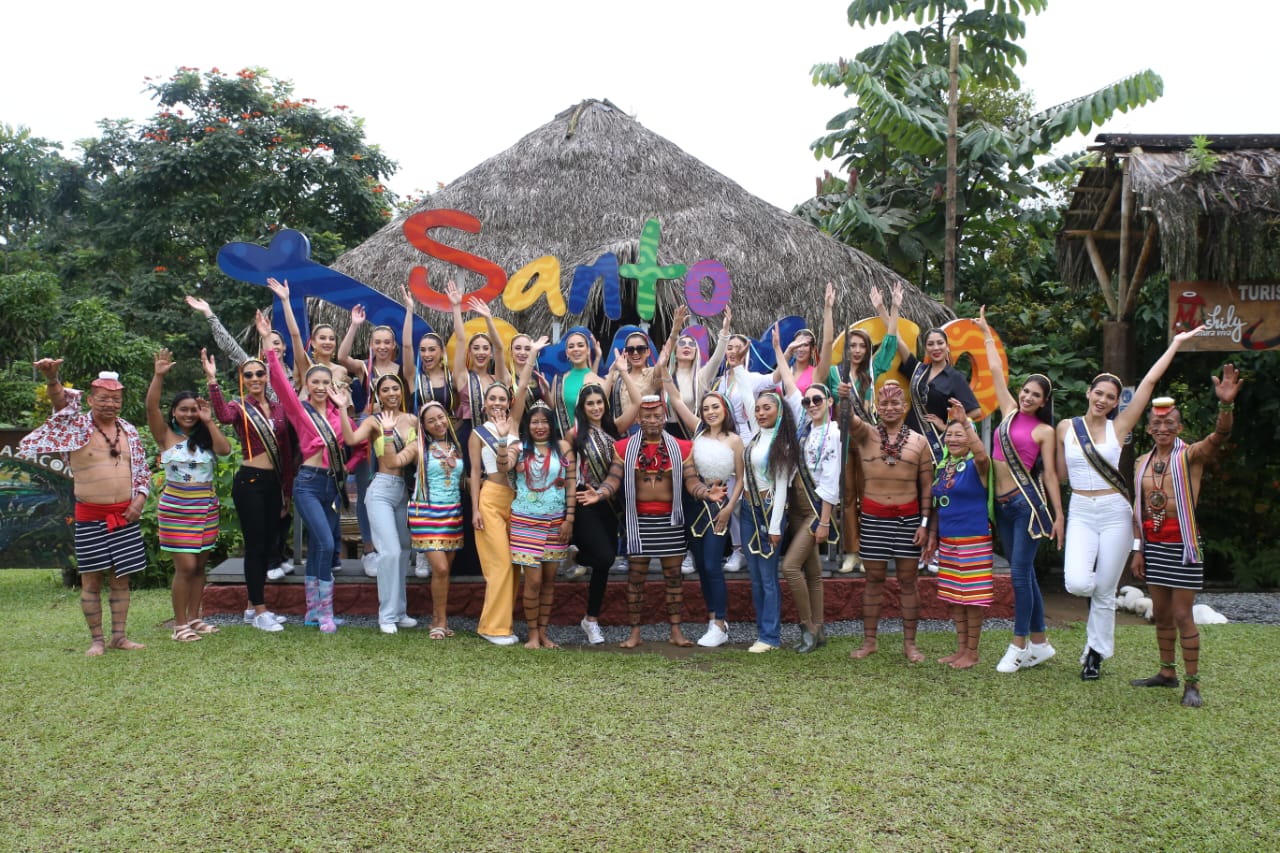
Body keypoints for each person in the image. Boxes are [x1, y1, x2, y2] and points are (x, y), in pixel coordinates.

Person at [1057, 326, 1203, 680]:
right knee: (1077, 583)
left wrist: (1176, 344)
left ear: (1115, 401)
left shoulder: (1118, 428)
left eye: (1111, 396)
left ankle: (1095, 653)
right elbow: (1059, 475)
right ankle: (1103, 603)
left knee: (1105, 591)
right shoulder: (1065, 427)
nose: (1103, 400)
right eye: (1099, 393)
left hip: (1114, 513)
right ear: (1089, 392)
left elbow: (1150, 383)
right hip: (1080, 510)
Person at [20, 361, 150, 656]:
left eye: (115, 399)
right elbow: (59, 403)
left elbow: (141, 470)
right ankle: (97, 640)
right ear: (90, 399)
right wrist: (53, 378)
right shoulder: (74, 426)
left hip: (125, 516)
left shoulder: (128, 430)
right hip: (91, 515)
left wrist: (139, 501)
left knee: (121, 577)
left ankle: (119, 636)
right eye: (103, 398)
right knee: (91, 578)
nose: (110, 403)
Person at [1129, 366, 1240, 708]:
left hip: (1184, 546)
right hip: (1154, 544)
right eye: (1157, 424)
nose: (1163, 428)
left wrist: (1225, 407)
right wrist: (1138, 550)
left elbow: (1219, 437)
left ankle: (1192, 683)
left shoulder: (1189, 455)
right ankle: (1167, 673)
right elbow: (1140, 509)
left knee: (1182, 615)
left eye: (1170, 423)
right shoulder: (1141, 463)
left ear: (1179, 426)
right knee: (1161, 614)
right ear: (1149, 428)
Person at [579, 396, 723, 648]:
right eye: (647, 416)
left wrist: (705, 493)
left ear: (665, 417)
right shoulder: (623, 448)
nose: (653, 421)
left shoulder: (682, 447)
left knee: (673, 578)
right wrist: (600, 493)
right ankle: (635, 633)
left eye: (657, 415)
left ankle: (676, 631)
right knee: (635, 579)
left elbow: (691, 481)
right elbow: (613, 480)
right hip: (638, 523)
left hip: (671, 521)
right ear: (638, 419)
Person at [975, 308, 1064, 673]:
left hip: (1027, 506)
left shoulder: (1045, 431)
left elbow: (1051, 476)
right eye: (1025, 391)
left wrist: (1060, 515)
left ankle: (1019, 644)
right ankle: (1041, 643)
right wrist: (984, 332)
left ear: (1044, 402)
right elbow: (996, 370)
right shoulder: (1008, 411)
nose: (1027, 397)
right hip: (1003, 506)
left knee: (1018, 575)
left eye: (1035, 395)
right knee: (1023, 574)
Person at [262, 303, 348, 634]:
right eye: (315, 381)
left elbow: (352, 446)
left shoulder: (339, 414)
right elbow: (282, 385)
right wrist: (269, 348)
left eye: (326, 381)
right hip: (309, 484)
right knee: (326, 544)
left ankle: (314, 611)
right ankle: (325, 610)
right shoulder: (301, 413)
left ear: (333, 384)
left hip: (331, 486)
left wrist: (350, 463)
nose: (321, 386)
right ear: (308, 385)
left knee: (318, 546)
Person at [205, 349, 293, 632]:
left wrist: (286, 490)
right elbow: (222, 415)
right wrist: (212, 381)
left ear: (267, 377)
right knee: (255, 547)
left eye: (259, 373)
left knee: (268, 546)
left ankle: (251, 605)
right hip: (250, 482)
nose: (255, 378)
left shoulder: (278, 408)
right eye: (249, 375)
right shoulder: (238, 406)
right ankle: (260, 610)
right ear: (243, 379)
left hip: (273, 483)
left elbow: (287, 451)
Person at [146, 349, 232, 642]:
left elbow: (225, 450)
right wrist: (159, 375)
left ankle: (196, 618)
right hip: (177, 509)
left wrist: (208, 421)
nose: (189, 414)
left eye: (193, 409)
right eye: (183, 409)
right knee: (185, 567)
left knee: (199, 566)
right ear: (174, 412)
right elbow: (151, 408)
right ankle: (179, 624)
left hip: (206, 508)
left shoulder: (205, 438)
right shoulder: (165, 436)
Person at [846, 380, 933, 663]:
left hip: (908, 521)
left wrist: (924, 524)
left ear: (905, 407)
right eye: (884, 403)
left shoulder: (919, 442)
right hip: (873, 519)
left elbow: (927, 487)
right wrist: (844, 397)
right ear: (876, 407)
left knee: (909, 581)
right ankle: (869, 641)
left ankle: (910, 644)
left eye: (896, 402)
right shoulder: (866, 435)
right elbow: (847, 418)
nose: (890, 407)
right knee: (873, 580)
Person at [334, 375, 419, 634]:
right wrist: (341, 408)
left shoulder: (412, 420)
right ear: (378, 395)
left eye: (395, 388)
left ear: (401, 391)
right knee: (389, 551)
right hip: (380, 489)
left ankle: (400, 611)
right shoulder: (373, 421)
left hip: (403, 491)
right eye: (385, 389)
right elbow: (350, 440)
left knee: (404, 550)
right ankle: (386, 615)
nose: (391, 392)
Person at [664, 380, 744, 648]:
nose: (710, 412)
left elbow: (742, 480)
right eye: (706, 408)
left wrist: (730, 508)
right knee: (700, 565)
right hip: (694, 504)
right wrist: (669, 351)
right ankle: (712, 620)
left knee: (712, 565)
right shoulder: (698, 432)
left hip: (718, 506)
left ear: (725, 409)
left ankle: (720, 623)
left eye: (715, 407)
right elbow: (675, 397)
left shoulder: (735, 440)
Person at [837, 283, 902, 574]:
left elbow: (890, 343)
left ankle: (868, 550)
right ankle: (851, 552)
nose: (857, 350)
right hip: (841, 440)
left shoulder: (872, 371)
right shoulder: (834, 374)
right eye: (853, 345)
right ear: (847, 348)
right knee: (848, 496)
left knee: (868, 495)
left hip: (867, 439)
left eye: (862, 345)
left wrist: (889, 308)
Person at [926, 401, 993, 669]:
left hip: (973, 539)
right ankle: (961, 649)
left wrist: (966, 422)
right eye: (949, 435)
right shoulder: (944, 467)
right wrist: (933, 536)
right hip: (948, 540)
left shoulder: (977, 467)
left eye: (960, 434)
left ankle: (972, 652)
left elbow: (982, 455)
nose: (953, 439)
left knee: (972, 597)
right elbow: (937, 507)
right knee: (955, 596)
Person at [505, 401, 576, 649]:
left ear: (551, 424)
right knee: (532, 581)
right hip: (525, 520)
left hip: (556, 521)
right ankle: (532, 634)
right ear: (528, 424)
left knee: (549, 580)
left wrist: (569, 518)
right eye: (534, 421)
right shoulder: (519, 447)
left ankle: (544, 633)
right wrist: (506, 443)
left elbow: (571, 484)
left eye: (544, 421)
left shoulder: (564, 448)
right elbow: (505, 465)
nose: (540, 426)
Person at [393, 401, 464, 638]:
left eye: (441, 417)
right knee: (441, 568)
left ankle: (438, 619)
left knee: (443, 573)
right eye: (431, 420)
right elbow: (393, 462)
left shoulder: (456, 445)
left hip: (453, 513)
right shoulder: (418, 447)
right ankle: (439, 621)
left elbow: (463, 479)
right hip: (426, 512)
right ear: (423, 425)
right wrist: (385, 434)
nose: (438, 423)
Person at [783, 380, 841, 654]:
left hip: (815, 508)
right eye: (807, 402)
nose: (811, 405)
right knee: (813, 572)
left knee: (791, 567)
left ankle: (808, 627)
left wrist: (825, 520)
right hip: (795, 506)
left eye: (817, 400)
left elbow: (831, 481)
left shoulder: (834, 433)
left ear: (829, 402)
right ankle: (821, 628)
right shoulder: (804, 429)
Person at [568, 384, 626, 645]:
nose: (595, 408)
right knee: (604, 557)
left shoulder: (614, 430)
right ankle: (575, 556)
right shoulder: (574, 434)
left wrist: (621, 372)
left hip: (610, 502)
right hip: (584, 500)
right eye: (590, 403)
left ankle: (591, 620)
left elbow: (636, 405)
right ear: (582, 407)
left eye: (599, 402)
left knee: (604, 565)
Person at [470, 384, 521, 645]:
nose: (497, 402)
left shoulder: (515, 429)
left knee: (514, 566)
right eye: (492, 398)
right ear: (484, 403)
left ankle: (504, 624)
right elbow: (475, 474)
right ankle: (491, 627)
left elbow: (522, 387)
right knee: (499, 564)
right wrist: (475, 509)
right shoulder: (478, 434)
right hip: (489, 499)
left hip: (514, 501)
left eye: (502, 398)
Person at [894, 325, 982, 464]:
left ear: (947, 347)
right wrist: (887, 309)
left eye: (940, 343)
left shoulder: (954, 378)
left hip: (933, 445)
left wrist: (947, 427)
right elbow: (897, 339)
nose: (936, 348)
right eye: (930, 344)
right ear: (926, 349)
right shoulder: (918, 371)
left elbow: (976, 412)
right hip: (908, 438)